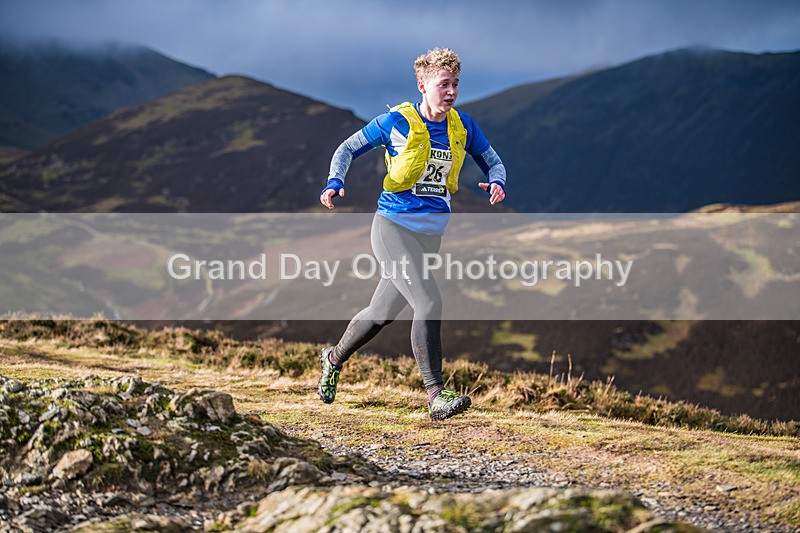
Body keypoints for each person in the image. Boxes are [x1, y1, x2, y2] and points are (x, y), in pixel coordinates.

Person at [318, 47, 507, 420]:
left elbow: (493, 161)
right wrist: (335, 181)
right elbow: (347, 148)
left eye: (455, 84)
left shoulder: (463, 125)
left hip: (430, 236)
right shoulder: (396, 122)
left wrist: (497, 181)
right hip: (393, 227)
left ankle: (333, 357)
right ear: (422, 85)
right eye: (443, 84)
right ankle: (436, 393)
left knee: (380, 313)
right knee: (428, 301)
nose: (451, 91)